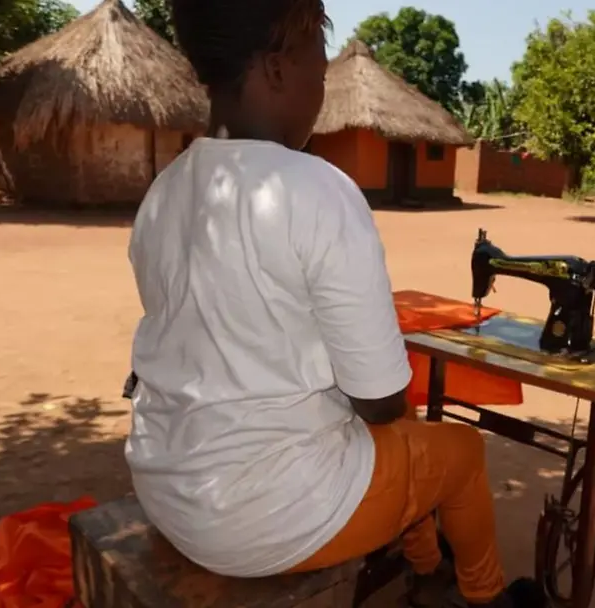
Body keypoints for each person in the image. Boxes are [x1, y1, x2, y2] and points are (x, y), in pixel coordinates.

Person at [123, 1, 546, 606]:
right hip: (268, 516)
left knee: (400, 446)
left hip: (167, 487)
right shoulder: (315, 187)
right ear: (276, 69)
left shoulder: (163, 193)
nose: (320, 96)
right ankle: (485, 596)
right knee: (460, 451)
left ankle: (426, 569)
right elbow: (378, 401)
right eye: (317, 75)